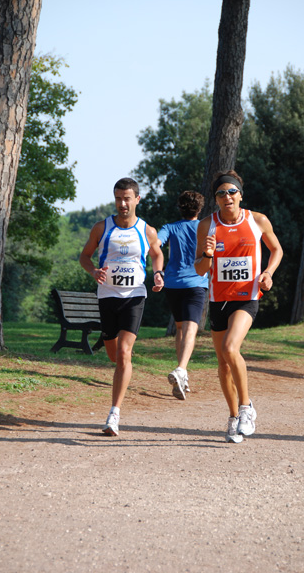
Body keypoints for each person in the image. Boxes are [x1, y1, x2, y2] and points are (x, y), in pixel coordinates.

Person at [195, 170, 283, 443]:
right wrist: (208, 253)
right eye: (221, 193)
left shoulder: (257, 220)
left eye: (231, 192)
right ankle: (233, 417)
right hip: (219, 299)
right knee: (223, 364)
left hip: (247, 296)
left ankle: (246, 408)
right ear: (216, 199)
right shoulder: (207, 225)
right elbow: (200, 269)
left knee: (230, 348)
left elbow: (277, 250)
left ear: (240, 195)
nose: (227, 197)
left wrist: (268, 273)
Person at [79, 177, 164, 436]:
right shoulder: (101, 228)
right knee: (115, 356)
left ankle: (114, 414)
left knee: (125, 353)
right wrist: (94, 271)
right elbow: (84, 256)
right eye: (118, 198)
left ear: (137, 199)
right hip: (107, 297)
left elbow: (157, 252)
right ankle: (123, 372)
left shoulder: (146, 230)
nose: (122, 204)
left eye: (127, 198)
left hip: (134, 296)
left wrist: (158, 273)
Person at [157, 191, 209, 400]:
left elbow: (156, 244)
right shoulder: (205, 228)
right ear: (199, 209)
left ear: (180, 208)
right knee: (190, 328)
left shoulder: (169, 228)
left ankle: (182, 374)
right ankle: (181, 369)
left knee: (180, 327)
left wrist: (157, 270)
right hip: (196, 283)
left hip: (172, 283)